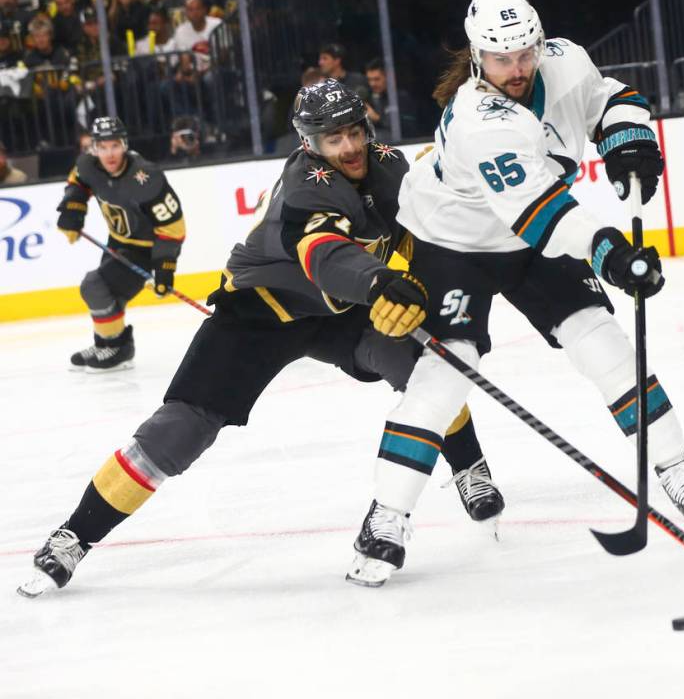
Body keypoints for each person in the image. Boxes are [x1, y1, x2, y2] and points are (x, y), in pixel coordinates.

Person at [17, 82, 503, 598]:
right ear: (308, 142)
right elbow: (325, 256)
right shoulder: (305, 185)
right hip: (262, 307)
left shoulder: (389, 166)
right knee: (179, 429)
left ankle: (469, 465)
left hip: (342, 310)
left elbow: (416, 233)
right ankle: (74, 535)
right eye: (332, 138)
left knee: (423, 366)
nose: (349, 147)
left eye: (354, 132)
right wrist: (381, 282)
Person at [344, 0, 684, 588]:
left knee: (601, 340)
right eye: (502, 58)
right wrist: (610, 253)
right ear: (477, 57)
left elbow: (608, 98)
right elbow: (539, 212)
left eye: (525, 52)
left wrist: (627, 138)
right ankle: (385, 517)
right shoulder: (478, 119)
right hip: (454, 242)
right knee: (448, 372)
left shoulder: (564, 58)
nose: (517, 68)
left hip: (528, 238)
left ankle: (674, 466)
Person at [54, 116, 186, 373]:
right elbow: (78, 182)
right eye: (102, 147)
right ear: (94, 148)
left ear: (124, 144)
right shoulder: (89, 164)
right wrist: (73, 209)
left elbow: (172, 227)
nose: (109, 154)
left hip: (146, 249)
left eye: (114, 146)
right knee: (110, 295)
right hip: (117, 241)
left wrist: (165, 268)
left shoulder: (146, 177)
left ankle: (117, 349)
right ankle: (107, 343)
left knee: (94, 285)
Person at [364, 58, 418, 141]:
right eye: (369, 80)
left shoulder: (401, 98)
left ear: (388, 77)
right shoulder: (369, 99)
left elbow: (408, 127)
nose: (372, 84)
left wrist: (377, 118)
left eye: (376, 79)